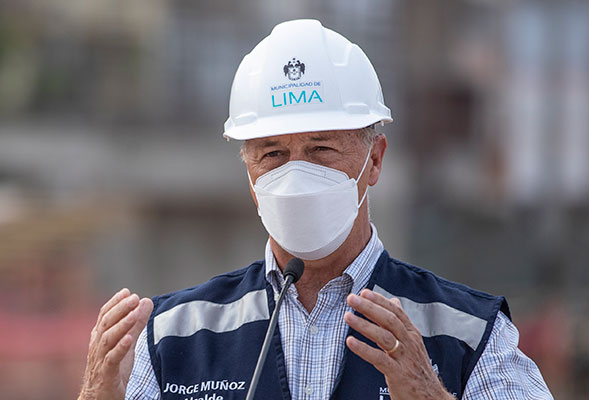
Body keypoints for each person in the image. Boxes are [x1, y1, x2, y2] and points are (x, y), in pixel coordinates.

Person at [78, 19, 553, 400]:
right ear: (249, 177)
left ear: (374, 161)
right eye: (273, 154)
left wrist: (431, 394)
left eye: (322, 149)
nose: (297, 175)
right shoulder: (172, 337)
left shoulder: (469, 333)